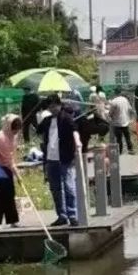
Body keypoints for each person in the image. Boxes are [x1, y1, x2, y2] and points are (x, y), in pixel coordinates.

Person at [38, 94, 82, 226]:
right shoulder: (47, 120)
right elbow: (38, 130)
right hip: (51, 158)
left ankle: (72, 215)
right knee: (55, 188)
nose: (52, 109)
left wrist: (78, 143)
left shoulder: (66, 118)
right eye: (50, 107)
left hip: (65, 157)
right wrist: (39, 112)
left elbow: (74, 130)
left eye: (54, 106)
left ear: (59, 105)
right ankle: (61, 215)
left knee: (69, 186)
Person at [0, 114, 21, 227]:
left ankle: (12, 220)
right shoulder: (1, 138)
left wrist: (15, 172)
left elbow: (11, 155)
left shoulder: (13, 136)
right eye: (14, 130)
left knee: (9, 193)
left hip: (6, 167)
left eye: (17, 130)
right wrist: (18, 174)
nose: (16, 133)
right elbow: (7, 159)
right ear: (8, 127)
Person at [108, 89, 134, 154]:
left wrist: (110, 116)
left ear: (114, 93)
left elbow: (110, 113)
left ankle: (120, 152)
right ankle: (130, 150)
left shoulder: (114, 101)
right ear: (120, 93)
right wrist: (131, 118)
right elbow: (130, 109)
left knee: (119, 139)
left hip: (117, 123)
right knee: (127, 137)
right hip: (125, 122)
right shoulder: (125, 100)